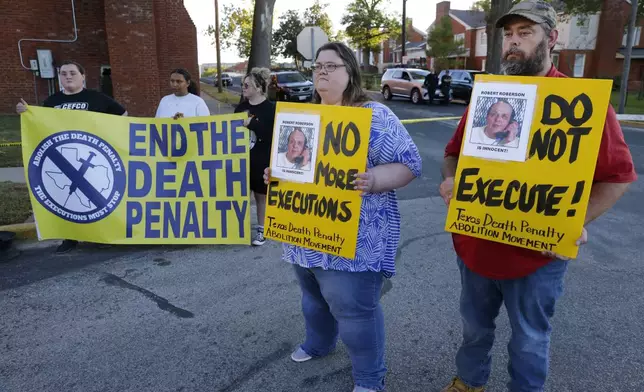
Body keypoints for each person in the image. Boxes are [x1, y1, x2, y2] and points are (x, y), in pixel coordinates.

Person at [438, 1, 637, 391]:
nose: (513, 43)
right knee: (474, 328)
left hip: (537, 256)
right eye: (509, 34)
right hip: (476, 244)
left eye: (525, 33)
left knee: (530, 339)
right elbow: (452, 154)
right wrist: (450, 181)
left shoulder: (581, 102)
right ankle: (470, 382)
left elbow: (618, 176)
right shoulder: (488, 95)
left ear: (551, 38)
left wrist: (576, 221)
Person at [264, 42, 422, 392]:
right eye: (318, 65)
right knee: (314, 300)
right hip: (305, 235)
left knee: (354, 312)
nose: (322, 70)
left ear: (350, 72)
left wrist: (375, 179)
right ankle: (319, 344)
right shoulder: (303, 117)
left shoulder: (373, 116)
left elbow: (410, 164)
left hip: (354, 242)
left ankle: (369, 378)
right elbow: (296, 165)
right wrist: (276, 174)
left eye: (332, 66)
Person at [16, 60, 128, 254]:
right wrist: (26, 113)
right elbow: (40, 125)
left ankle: (100, 235)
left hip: (93, 157)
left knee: (94, 198)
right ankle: (70, 237)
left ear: (83, 76)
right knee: (67, 200)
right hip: (63, 161)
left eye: (73, 73)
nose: (68, 76)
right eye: (64, 73)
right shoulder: (51, 102)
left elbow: (123, 115)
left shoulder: (97, 98)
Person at [234, 67, 275, 246]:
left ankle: (262, 230)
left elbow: (272, 134)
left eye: (247, 85)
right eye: (243, 85)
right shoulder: (241, 107)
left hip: (261, 160)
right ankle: (237, 230)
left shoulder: (270, 109)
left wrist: (253, 124)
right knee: (240, 195)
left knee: (260, 197)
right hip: (241, 160)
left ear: (258, 88)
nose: (243, 88)